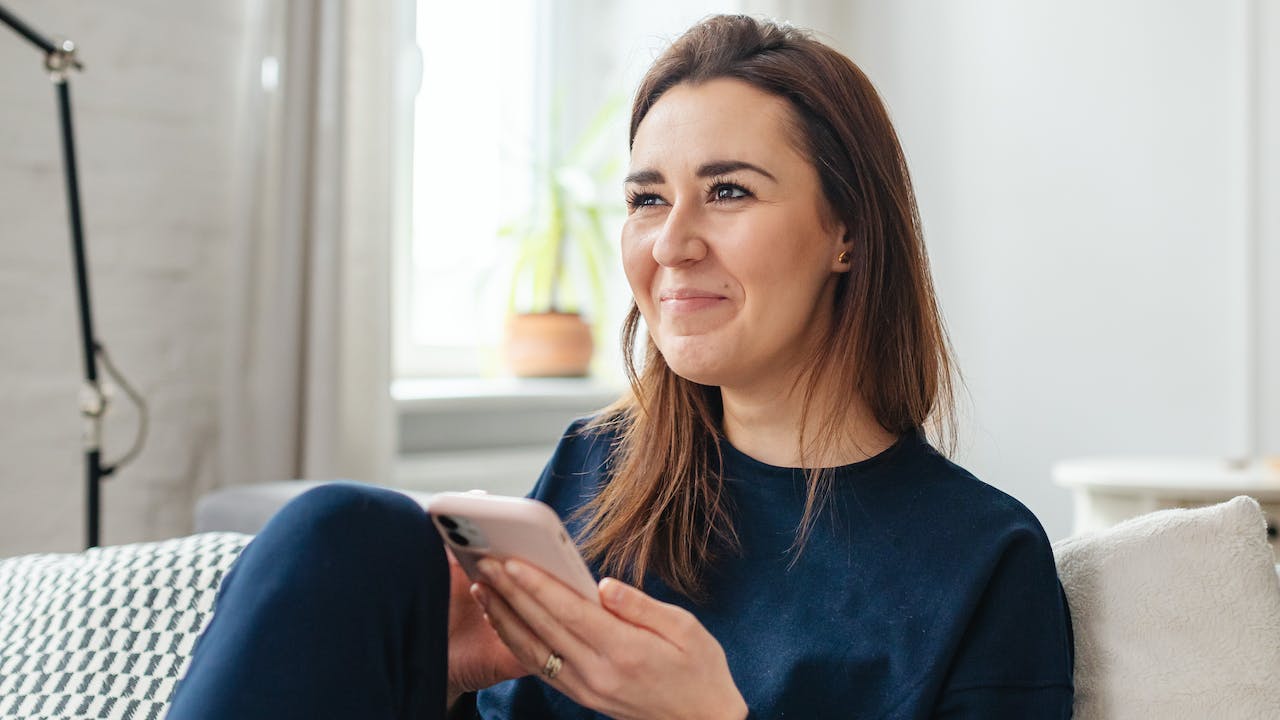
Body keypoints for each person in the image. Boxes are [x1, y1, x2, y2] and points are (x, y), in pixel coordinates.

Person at [167, 14, 1074, 720]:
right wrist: (438, 669)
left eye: (728, 192)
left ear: (847, 231)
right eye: (647, 198)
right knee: (342, 530)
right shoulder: (598, 469)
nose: (671, 243)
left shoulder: (984, 563)